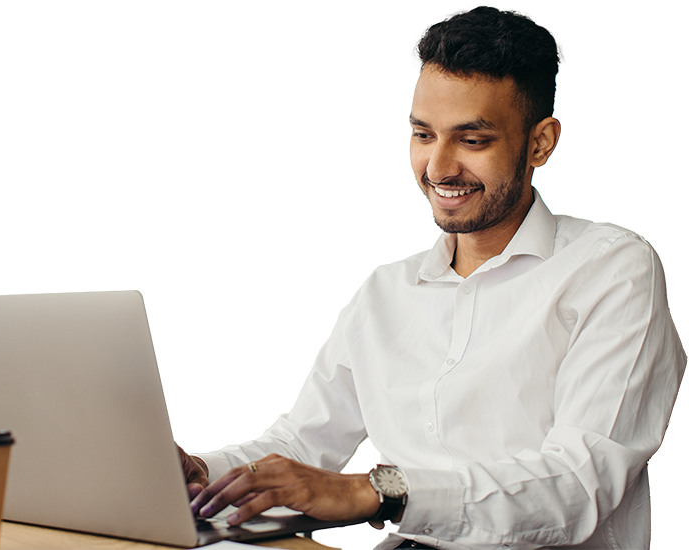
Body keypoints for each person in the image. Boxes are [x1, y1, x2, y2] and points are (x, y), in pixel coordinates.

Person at [179, 6, 686, 549]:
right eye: (423, 134)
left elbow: (579, 484)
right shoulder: (384, 294)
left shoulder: (611, 268)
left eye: (473, 140)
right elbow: (302, 446)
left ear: (540, 143)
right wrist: (201, 473)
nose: (439, 168)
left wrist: (380, 493)